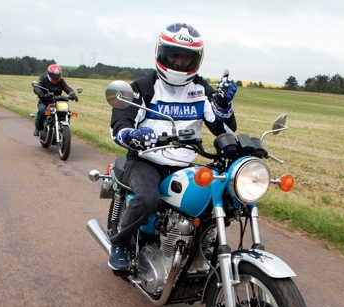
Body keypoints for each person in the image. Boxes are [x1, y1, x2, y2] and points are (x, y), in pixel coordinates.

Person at [107, 22, 238, 271]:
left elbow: (223, 130)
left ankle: (202, 249)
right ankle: (120, 243)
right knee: (147, 198)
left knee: (218, 197)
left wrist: (223, 106)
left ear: (196, 59)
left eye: (186, 57)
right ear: (161, 53)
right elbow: (120, 124)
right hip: (146, 161)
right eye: (174, 54)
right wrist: (133, 135)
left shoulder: (200, 90)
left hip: (183, 165)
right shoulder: (143, 88)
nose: (179, 62)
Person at [32, 64, 78, 137]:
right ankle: (38, 128)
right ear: (49, 74)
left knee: (67, 112)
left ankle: (64, 129)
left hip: (57, 103)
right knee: (41, 110)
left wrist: (72, 94)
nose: (56, 77)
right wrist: (41, 94)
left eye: (57, 75)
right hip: (45, 102)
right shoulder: (43, 79)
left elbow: (67, 88)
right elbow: (37, 87)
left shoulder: (61, 81)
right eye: (53, 75)